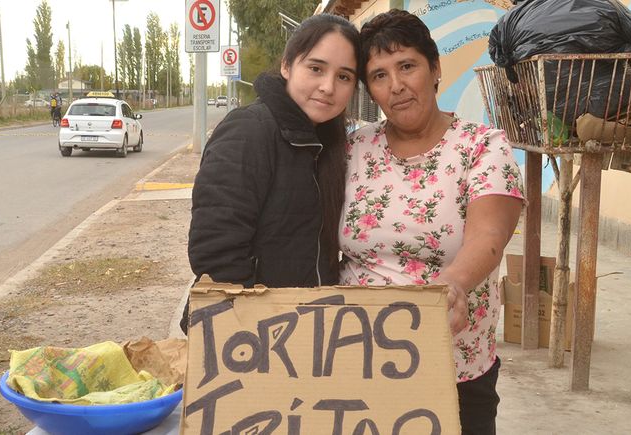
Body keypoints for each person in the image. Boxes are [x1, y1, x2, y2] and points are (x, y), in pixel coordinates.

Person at [340, 9, 525, 435]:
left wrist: (454, 282)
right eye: (380, 75)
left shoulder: (481, 147)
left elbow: (489, 236)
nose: (397, 85)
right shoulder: (354, 148)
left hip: (453, 363)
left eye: (407, 66)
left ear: (435, 68)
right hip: (356, 360)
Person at [182, 14, 361, 333]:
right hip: (252, 337)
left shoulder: (325, 141)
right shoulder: (250, 130)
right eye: (316, 68)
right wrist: (255, 331)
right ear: (287, 66)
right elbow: (216, 252)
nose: (328, 87)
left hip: (306, 330)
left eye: (344, 76)